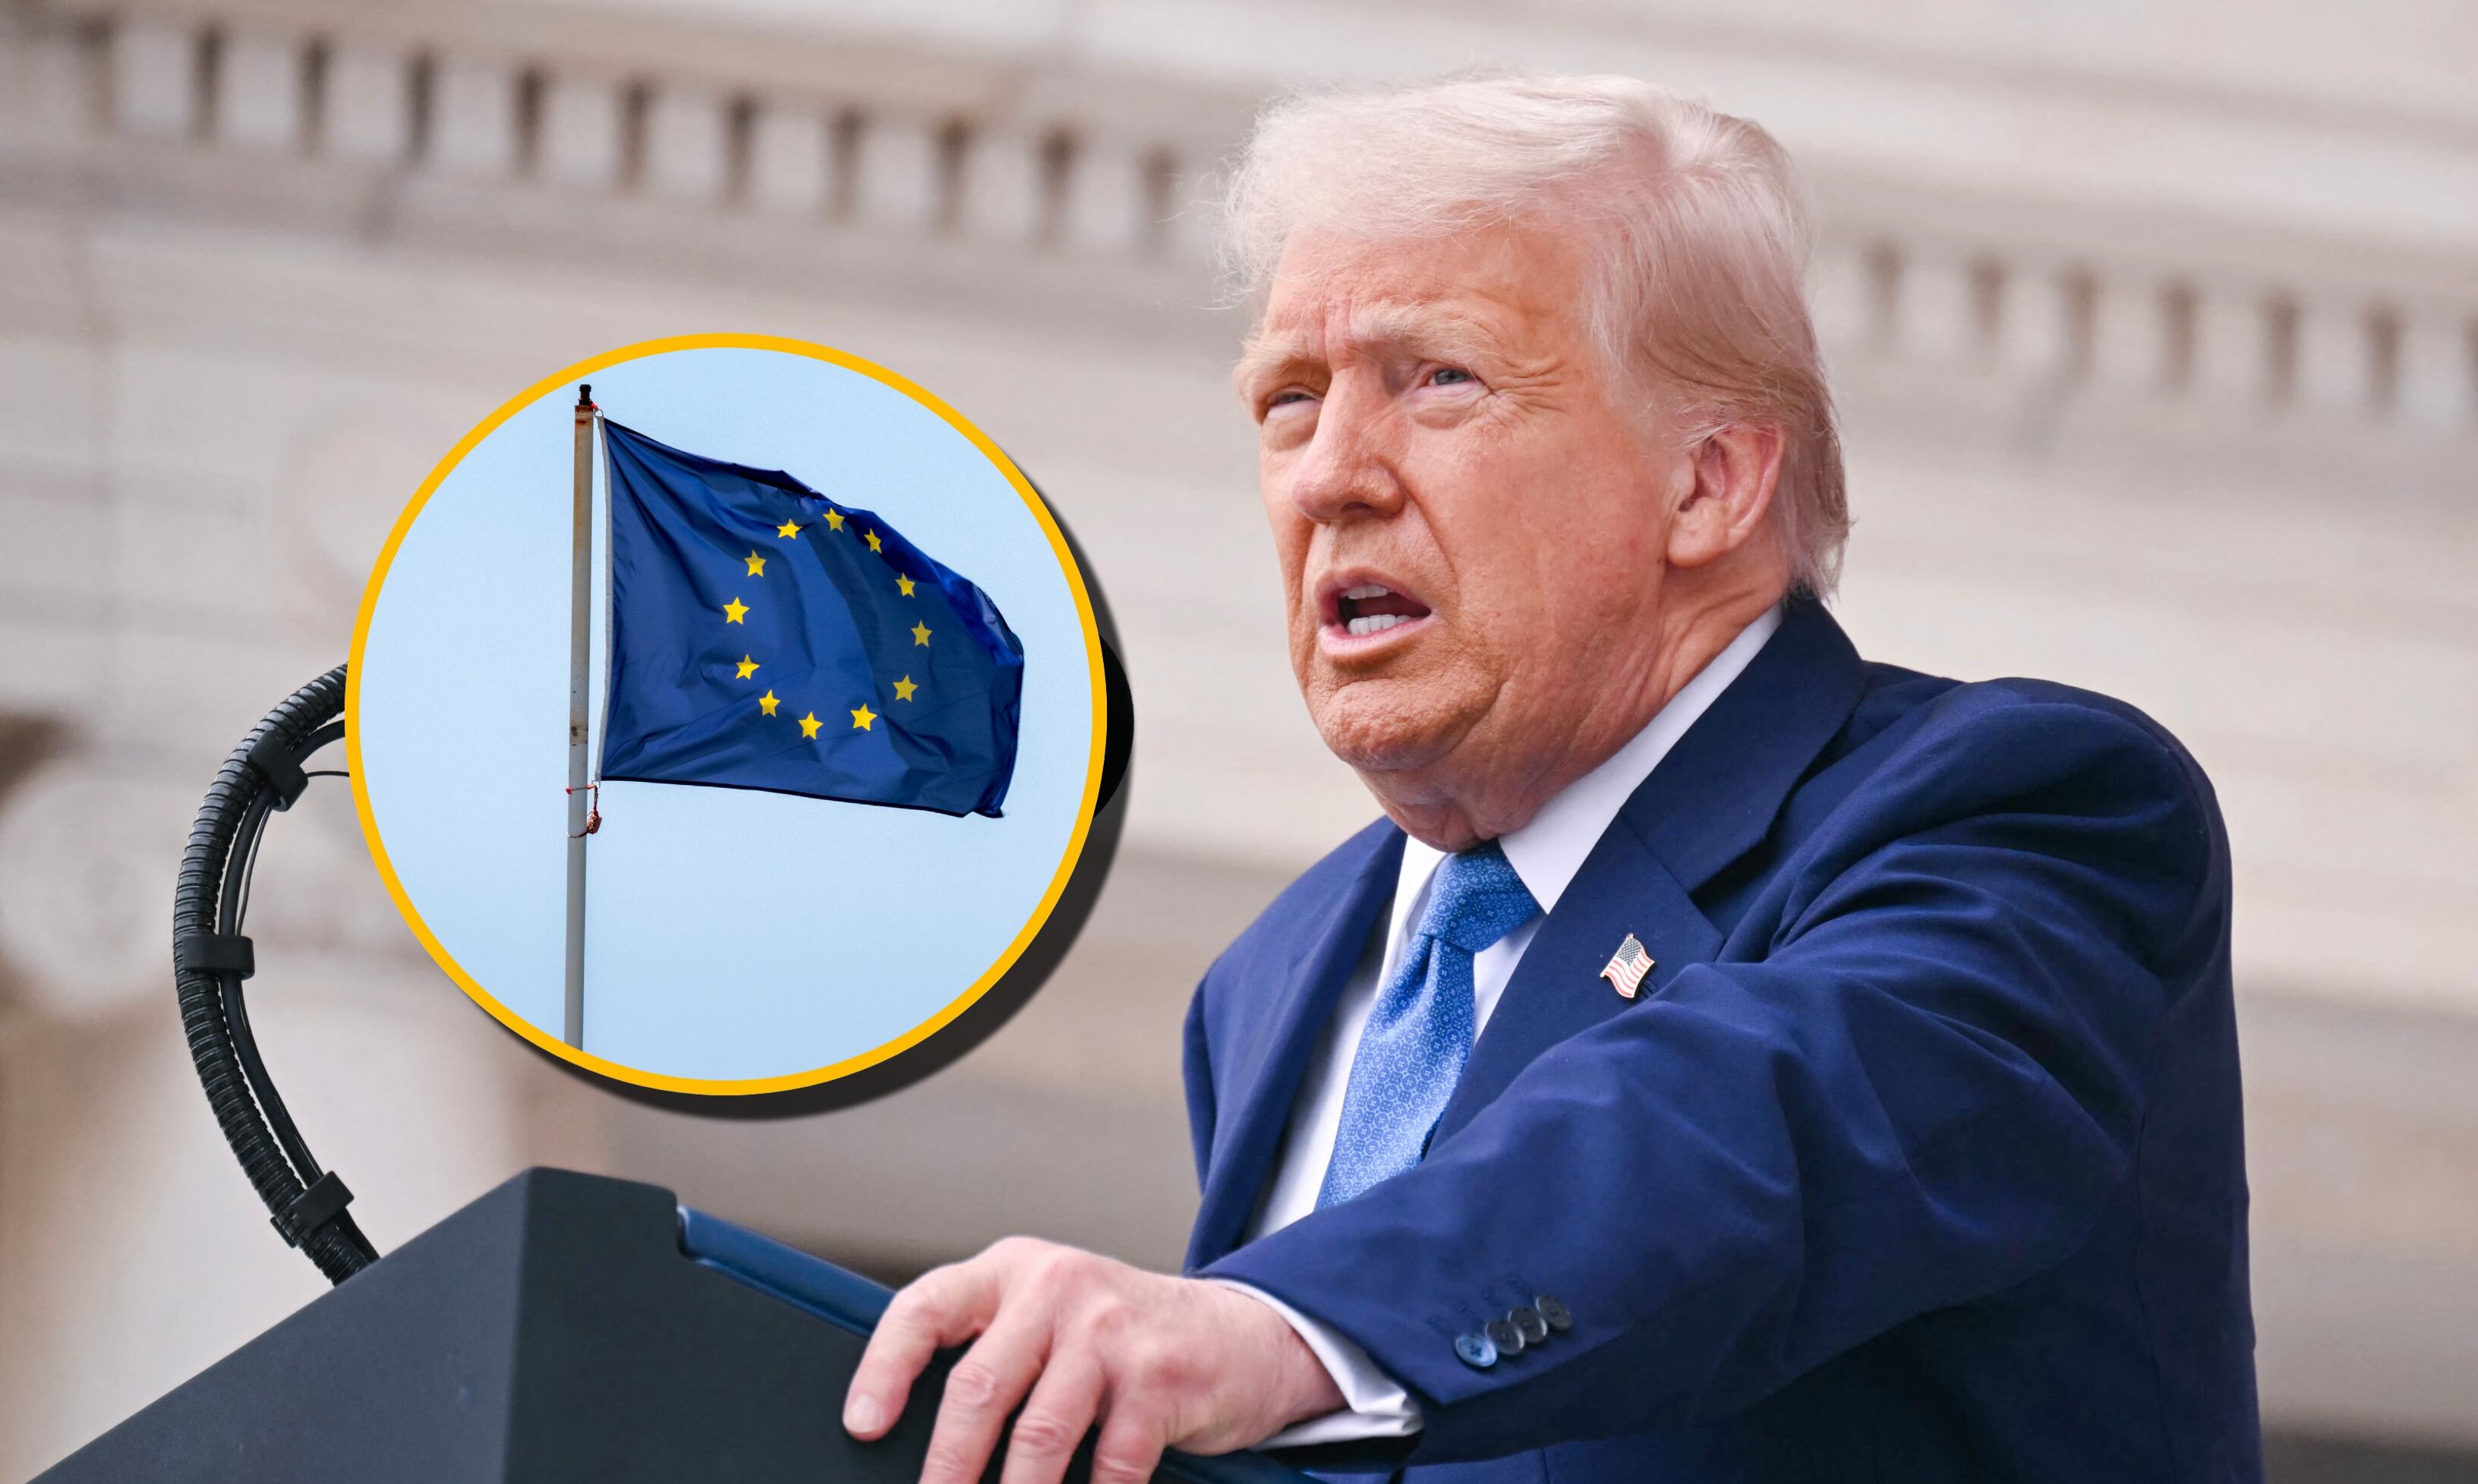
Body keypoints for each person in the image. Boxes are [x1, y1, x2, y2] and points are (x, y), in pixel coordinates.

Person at [841, 71, 2261, 1484]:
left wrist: (1287, 1327)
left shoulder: (2025, 812)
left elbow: (1746, 1134)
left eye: (1437, 379)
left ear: (1708, 481)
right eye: (1287, 397)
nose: (1330, 474)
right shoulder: (1275, 983)